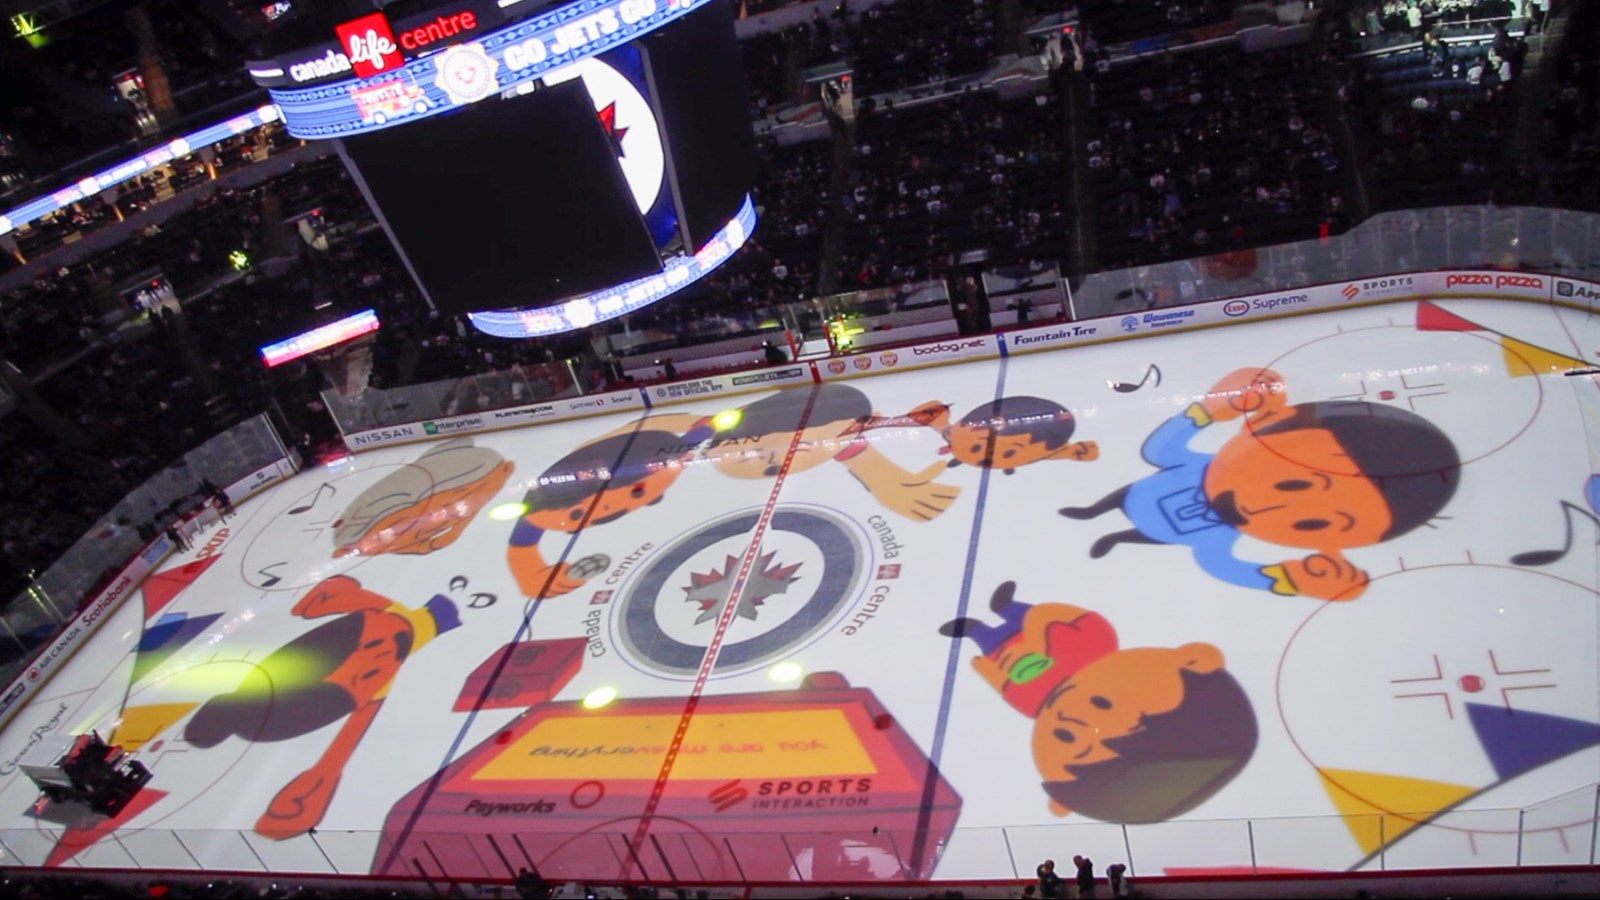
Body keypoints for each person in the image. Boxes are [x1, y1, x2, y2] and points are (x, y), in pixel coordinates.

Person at [1059, 367, 1460, 601]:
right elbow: (1160, 448)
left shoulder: (1216, 539)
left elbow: (1222, 566)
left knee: (1133, 534)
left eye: (1312, 525)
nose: (1259, 510)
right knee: (1113, 502)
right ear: (1266, 424)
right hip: (1137, 496)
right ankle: (1092, 512)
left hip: (1158, 525)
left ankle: (1113, 538)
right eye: (1291, 485)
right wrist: (1207, 410)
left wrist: (1289, 580)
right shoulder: (1198, 470)